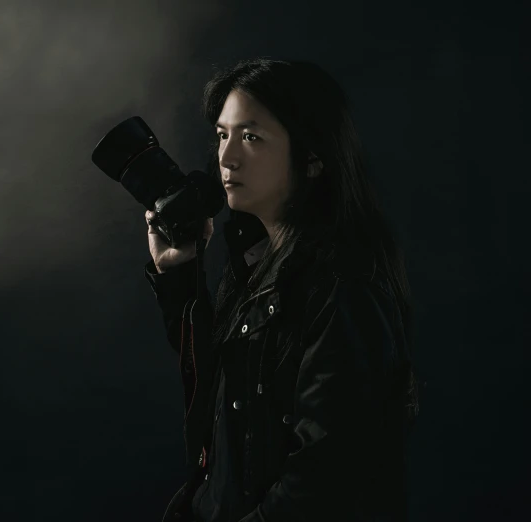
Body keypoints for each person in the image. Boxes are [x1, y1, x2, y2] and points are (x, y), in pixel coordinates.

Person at [143, 58, 419, 522]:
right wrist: (179, 276)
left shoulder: (344, 286)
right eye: (222, 135)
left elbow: (324, 478)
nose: (226, 158)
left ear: (312, 158)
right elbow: (219, 389)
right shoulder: (255, 262)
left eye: (251, 137)